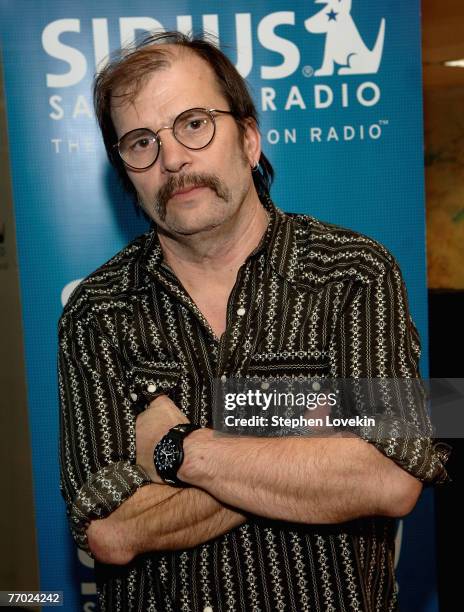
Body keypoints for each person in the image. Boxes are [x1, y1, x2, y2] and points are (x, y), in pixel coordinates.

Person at [58, 31, 450, 611]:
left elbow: (391, 478)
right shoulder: (97, 310)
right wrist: (305, 439)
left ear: (247, 137)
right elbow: (110, 531)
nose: (172, 160)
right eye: (141, 142)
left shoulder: (354, 274)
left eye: (194, 124)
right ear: (126, 171)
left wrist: (181, 450)